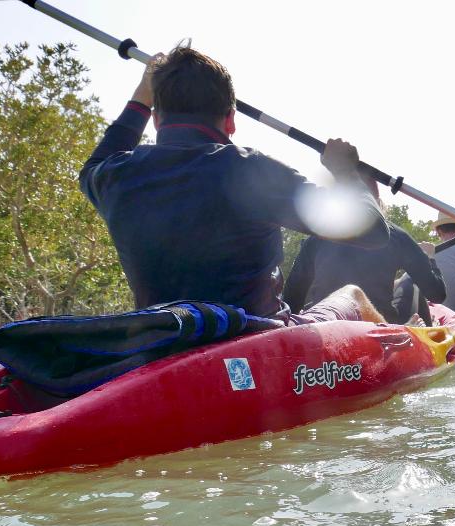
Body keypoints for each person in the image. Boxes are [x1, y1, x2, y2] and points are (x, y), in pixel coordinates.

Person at [79, 43, 390, 325]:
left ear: (157, 120)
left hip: (166, 343)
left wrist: (142, 95)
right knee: (352, 296)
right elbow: (374, 232)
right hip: (260, 339)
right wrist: (346, 172)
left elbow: (94, 164)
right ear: (230, 119)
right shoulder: (251, 171)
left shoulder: (117, 176)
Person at [283, 222, 446, 324]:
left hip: (325, 326)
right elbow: (437, 294)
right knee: (409, 280)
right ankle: (427, 341)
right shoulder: (396, 236)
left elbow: (291, 301)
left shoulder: (315, 239)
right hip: (378, 327)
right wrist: (430, 258)